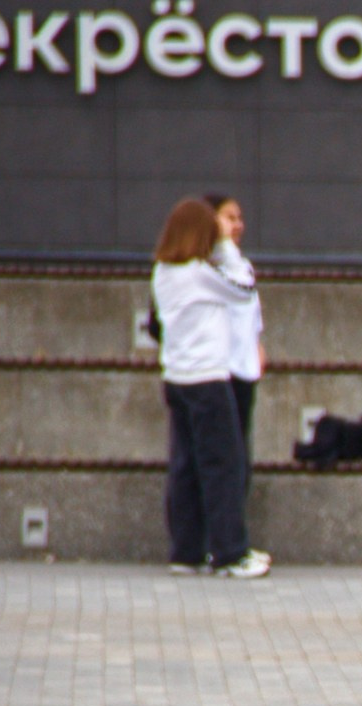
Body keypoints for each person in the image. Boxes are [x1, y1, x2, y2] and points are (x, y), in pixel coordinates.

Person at [151, 198, 268, 578]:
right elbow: (243, 288)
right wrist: (224, 247)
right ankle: (230, 553)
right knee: (224, 465)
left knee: (185, 466)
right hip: (208, 380)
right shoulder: (199, 273)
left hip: (177, 379)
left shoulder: (163, 272)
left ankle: (186, 551)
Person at [205, 193, 264, 458]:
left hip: (243, 372)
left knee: (239, 452)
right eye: (230, 218)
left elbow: (250, 316)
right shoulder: (206, 267)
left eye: (239, 218)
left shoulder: (243, 268)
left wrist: (257, 346)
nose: (238, 225)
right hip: (218, 373)